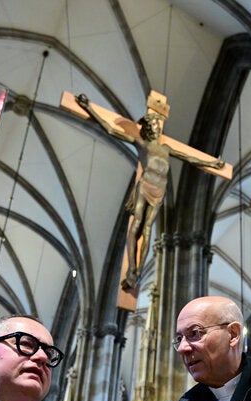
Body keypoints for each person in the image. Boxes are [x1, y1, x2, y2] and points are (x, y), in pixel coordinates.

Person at [74, 93, 224, 290]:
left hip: (159, 191)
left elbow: (190, 158)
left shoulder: (166, 148)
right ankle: (132, 269)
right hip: (145, 185)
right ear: (147, 127)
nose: (155, 126)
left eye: (156, 123)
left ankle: (137, 272)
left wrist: (213, 162)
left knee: (147, 229)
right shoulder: (141, 143)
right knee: (136, 224)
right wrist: (89, 107)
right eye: (152, 123)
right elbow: (111, 128)